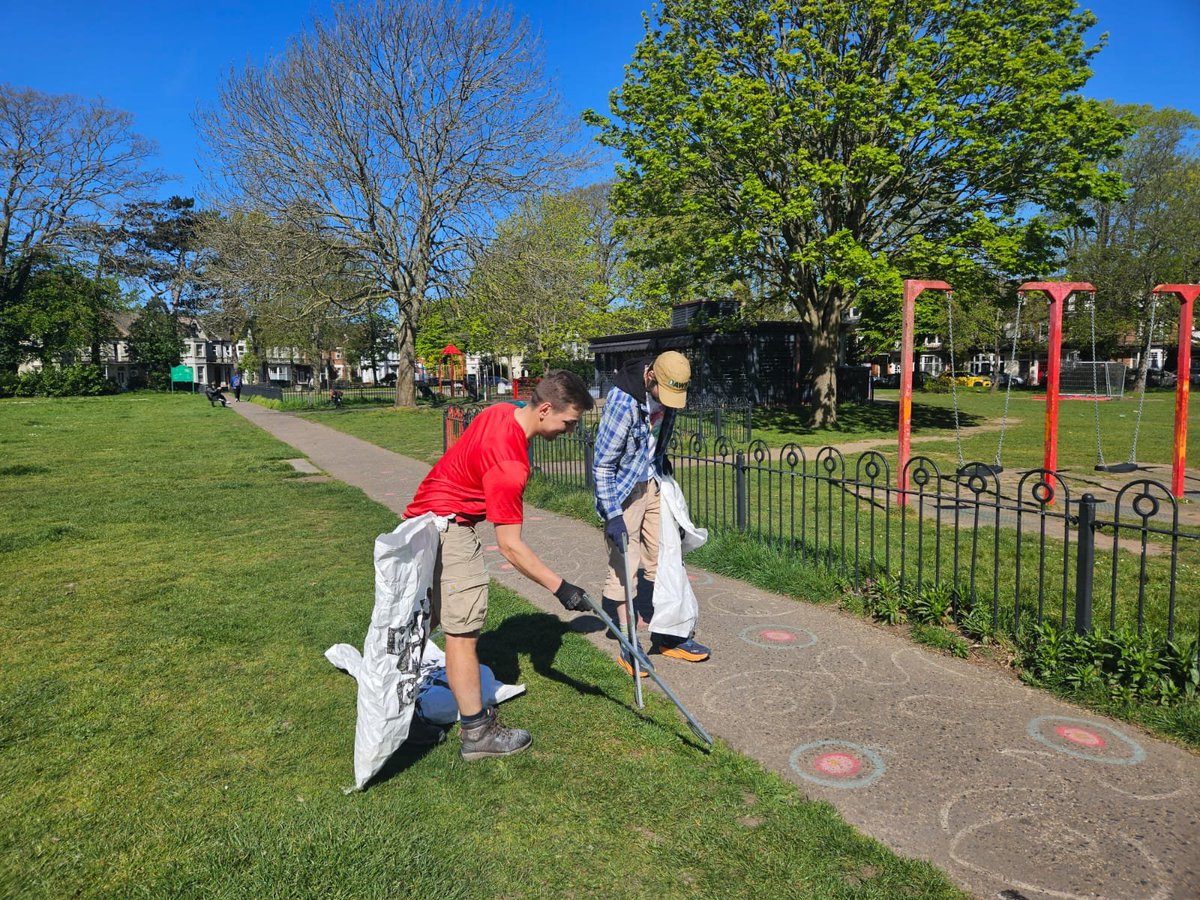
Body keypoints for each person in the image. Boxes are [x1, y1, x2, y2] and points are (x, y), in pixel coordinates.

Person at [403, 370, 596, 759]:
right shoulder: (510, 465)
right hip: (449, 528)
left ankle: (404, 717)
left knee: (425, 622)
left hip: (422, 519)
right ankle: (477, 734)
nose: (569, 431)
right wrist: (563, 589)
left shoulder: (499, 412)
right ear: (544, 409)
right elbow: (510, 547)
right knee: (462, 631)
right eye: (568, 422)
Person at [592, 351, 710, 674]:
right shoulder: (622, 401)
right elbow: (602, 465)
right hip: (624, 490)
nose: (671, 402)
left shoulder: (669, 393)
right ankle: (629, 644)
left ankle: (667, 635)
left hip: (652, 480)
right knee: (624, 564)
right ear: (650, 377)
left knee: (665, 555)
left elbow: (656, 435)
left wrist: (660, 456)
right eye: (666, 393)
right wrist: (613, 513)